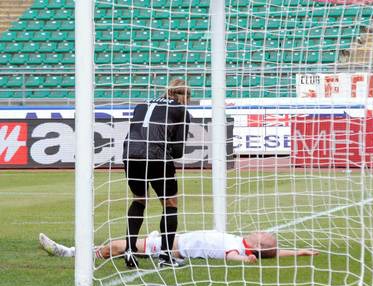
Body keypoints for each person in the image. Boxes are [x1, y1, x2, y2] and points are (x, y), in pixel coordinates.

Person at [122, 79, 191, 268]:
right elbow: (177, 151)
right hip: (157, 155)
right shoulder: (181, 110)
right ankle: (166, 256)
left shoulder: (142, 104)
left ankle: (129, 250)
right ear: (184, 95)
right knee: (170, 202)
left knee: (139, 199)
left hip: (131, 154)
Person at [39, 231, 319, 263]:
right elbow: (272, 251)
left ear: (257, 245)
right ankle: (82, 252)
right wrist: (301, 252)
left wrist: (244, 261)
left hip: (173, 245)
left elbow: (233, 256)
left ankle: (70, 253)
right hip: (174, 240)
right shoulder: (243, 241)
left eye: (264, 235)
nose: (262, 230)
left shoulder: (240, 250)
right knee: (123, 248)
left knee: (117, 246)